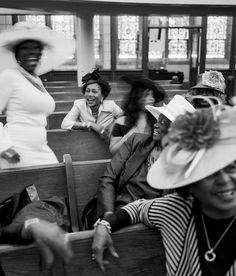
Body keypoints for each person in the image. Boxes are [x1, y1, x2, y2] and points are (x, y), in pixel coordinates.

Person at [92, 100, 236, 275]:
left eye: (231, 167)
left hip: (146, 232)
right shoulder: (176, 210)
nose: (224, 179)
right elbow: (111, 181)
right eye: (210, 172)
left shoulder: (179, 171)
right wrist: (107, 219)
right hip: (118, 210)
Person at [95, 95, 195, 224]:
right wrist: (109, 215)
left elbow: (170, 205)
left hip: (150, 221)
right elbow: (108, 178)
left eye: (164, 122)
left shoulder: (179, 161)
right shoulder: (136, 141)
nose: (156, 125)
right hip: (115, 208)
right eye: (158, 119)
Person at [0, 21, 75, 169]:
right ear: (16, 54)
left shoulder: (36, 79)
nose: (31, 52)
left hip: (41, 147)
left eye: (36, 48)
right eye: (25, 48)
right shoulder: (9, 76)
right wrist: (4, 147)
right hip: (16, 149)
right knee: (33, 190)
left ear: (41, 53)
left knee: (55, 184)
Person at [61, 68, 123, 141]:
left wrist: (112, 126)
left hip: (107, 145)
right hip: (85, 144)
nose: (90, 94)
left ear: (103, 95)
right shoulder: (79, 104)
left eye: (94, 91)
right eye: (87, 91)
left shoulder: (111, 105)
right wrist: (90, 125)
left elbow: (125, 119)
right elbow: (65, 124)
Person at [109, 78, 166, 155]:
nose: (151, 99)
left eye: (152, 95)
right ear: (136, 98)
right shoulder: (121, 122)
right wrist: (129, 136)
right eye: (146, 95)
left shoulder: (156, 121)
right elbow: (113, 150)